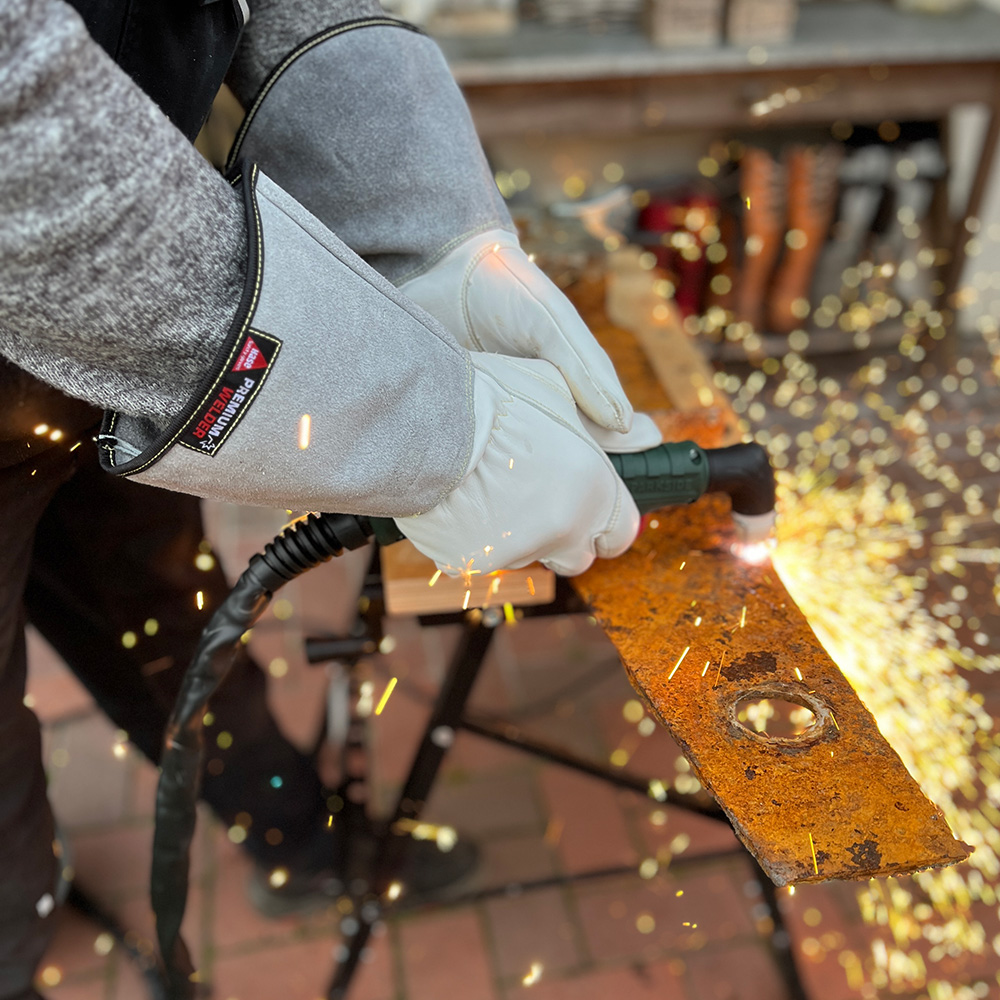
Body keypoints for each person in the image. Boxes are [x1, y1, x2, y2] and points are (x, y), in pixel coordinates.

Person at [0, 1, 661, 996]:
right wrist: (423, 427)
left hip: (115, 341)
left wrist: (423, 225)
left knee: (164, 609)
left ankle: (293, 835)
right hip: (100, 272)